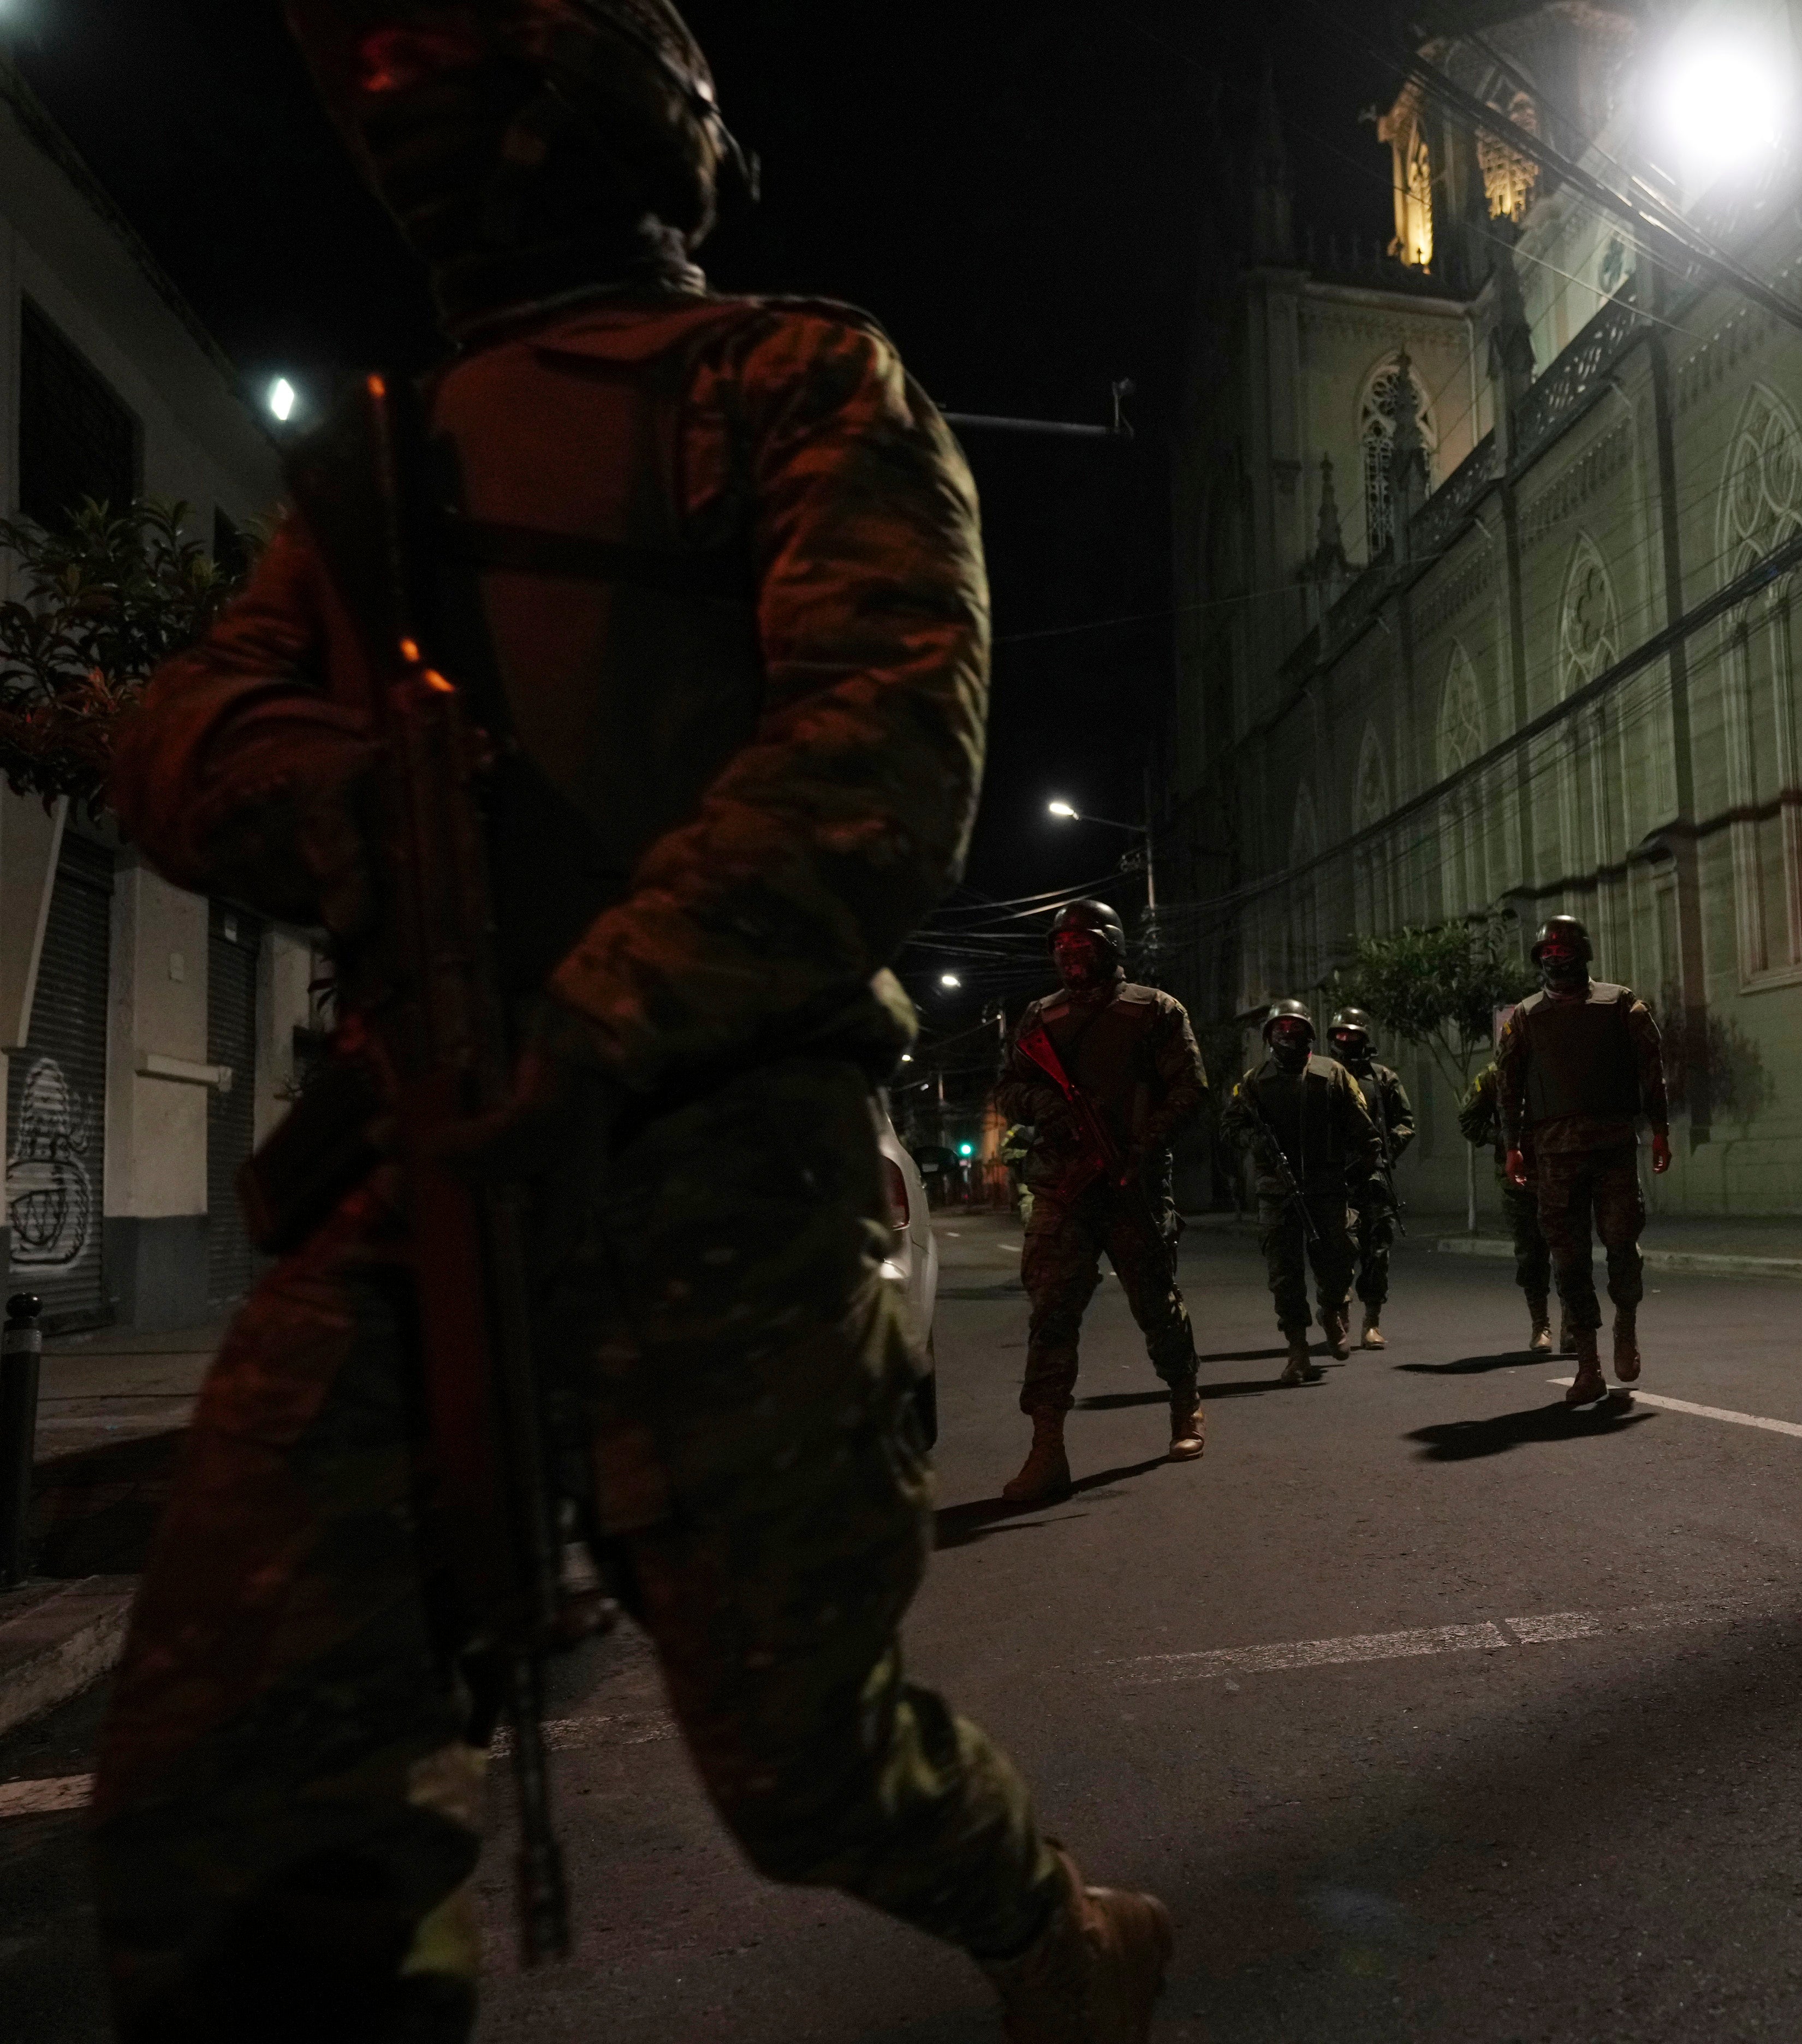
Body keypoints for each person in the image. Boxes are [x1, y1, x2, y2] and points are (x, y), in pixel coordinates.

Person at [86, 7, 1168, 2041]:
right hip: (432, 1151)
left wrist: (582, 1036)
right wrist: (300, 773)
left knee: (799, 1757)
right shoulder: (388, 464)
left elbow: (873, 767)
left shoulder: (787, 382)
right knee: (231, 1763)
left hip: (722, 1151)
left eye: (468, 103)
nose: (425, 143)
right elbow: (181, 723)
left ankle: (1050, 1929)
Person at [996, 898, 1209, 1502]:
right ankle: (1047, 1448)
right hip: (1062, 1187)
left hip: (1130, 1182)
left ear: (1111, 947)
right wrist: (1047, 1108)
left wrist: (1142, 1146)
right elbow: (1009, 1088)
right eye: (1062, 949)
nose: (1071, 958)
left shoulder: (1154, 1011)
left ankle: (1185, 1402)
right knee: (1051, 1315)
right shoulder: (1041, 1017)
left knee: (1156, 1303)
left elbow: (1191, 1088)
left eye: (1083, 946)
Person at [1496, 916, 1669, 1406]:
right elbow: (1509, 1087)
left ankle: (1627, 1326)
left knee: (1621, 1246)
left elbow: (1652, 1070)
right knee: (1568, 1261)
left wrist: (1661, 1130)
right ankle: (1588, 1364)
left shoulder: (1619, 1004)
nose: (1555, 959)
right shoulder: (1527, 1017)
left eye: (1563, 950)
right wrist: (1513, 1146)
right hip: (1555, 1157)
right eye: (1546, 954)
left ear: (1583, 953)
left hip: (1613, 1147)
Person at [1221, 1000, 1381, 1383]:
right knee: (1285, 1275)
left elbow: (1364, 1131)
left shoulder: (1333, 1074)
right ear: (1269, 1036)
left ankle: (1332, 1309)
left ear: (1308, 1033)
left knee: (1340, 1258)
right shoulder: (1255, 1082)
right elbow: (1230, 1128)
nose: (1287, 1035)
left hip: (1327, 1188)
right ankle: (1298, 1352)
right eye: (1280, 1029)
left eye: (1295, 1028)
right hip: (1278, 1193)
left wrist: (1359, 1168)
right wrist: (1256, 1141)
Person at [1328, 1005, 1415, 1349]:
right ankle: (1340, 1313)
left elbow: (1405, 1123)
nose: (1344, 1040)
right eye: (1339, 1034)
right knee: (1337, 1251)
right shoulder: (1322, 1076)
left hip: (1373, 1179)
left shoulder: (1382, 1079)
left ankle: (1372, 1321)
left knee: (1377, 1251)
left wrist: (1382, 1154)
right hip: (1333, 1180)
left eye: (1351, 1034)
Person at [1458, 1054, 1552, 1352]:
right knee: (1531, 1253)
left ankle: (1575, 1324)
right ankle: (1541, 1325)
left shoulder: (1558, 1064)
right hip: (1519, 1179)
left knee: (1570, 1252)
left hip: (1562, 1171)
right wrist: (1503, 1138)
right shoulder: (1493, 1077)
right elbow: (1468, 1120)